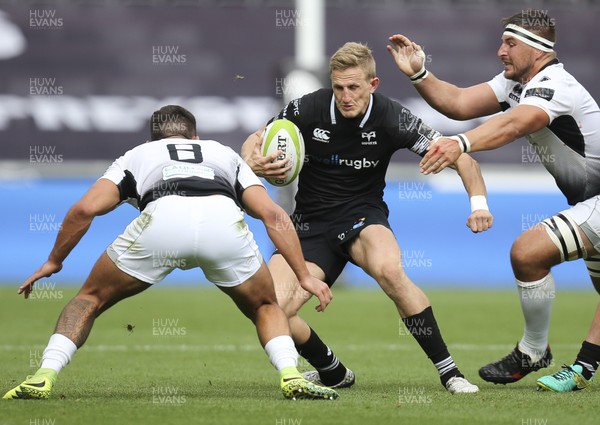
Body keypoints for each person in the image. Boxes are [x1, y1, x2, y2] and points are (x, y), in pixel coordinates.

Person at [3, 105, 340, 401]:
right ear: (195, 137)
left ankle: (43, 376)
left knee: (88, 299)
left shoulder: (136, 155)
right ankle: (291, 375)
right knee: (266, 305)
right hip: (221, 224)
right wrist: (304, 275)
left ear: (154, 140)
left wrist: (54, 261)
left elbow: (83, 210)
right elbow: (273, 215)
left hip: (162, 223)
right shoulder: (222, 153)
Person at [242, 42, 493, 394]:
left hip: (362, 217)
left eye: (354, 87)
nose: (346, 96)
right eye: (339, 87)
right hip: (310, 226)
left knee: (391, 272)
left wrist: (478, 204)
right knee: (270, 309)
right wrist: (252, 161)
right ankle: (332, 371)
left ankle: (450, 373)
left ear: (373, 85)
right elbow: (257, 138)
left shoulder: (392, 116)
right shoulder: (307, 107)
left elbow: (463, 159)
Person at [387, 9, 600, 392]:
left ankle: (544, 354)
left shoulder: (555, 85)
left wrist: (461, 143)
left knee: (528, 252)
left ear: (538, 50)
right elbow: (458, 103)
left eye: (510, 42)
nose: (500, 50)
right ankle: (573, 364)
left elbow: (519, 123)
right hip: (589, 201)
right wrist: (420, 73)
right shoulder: (514, 84)